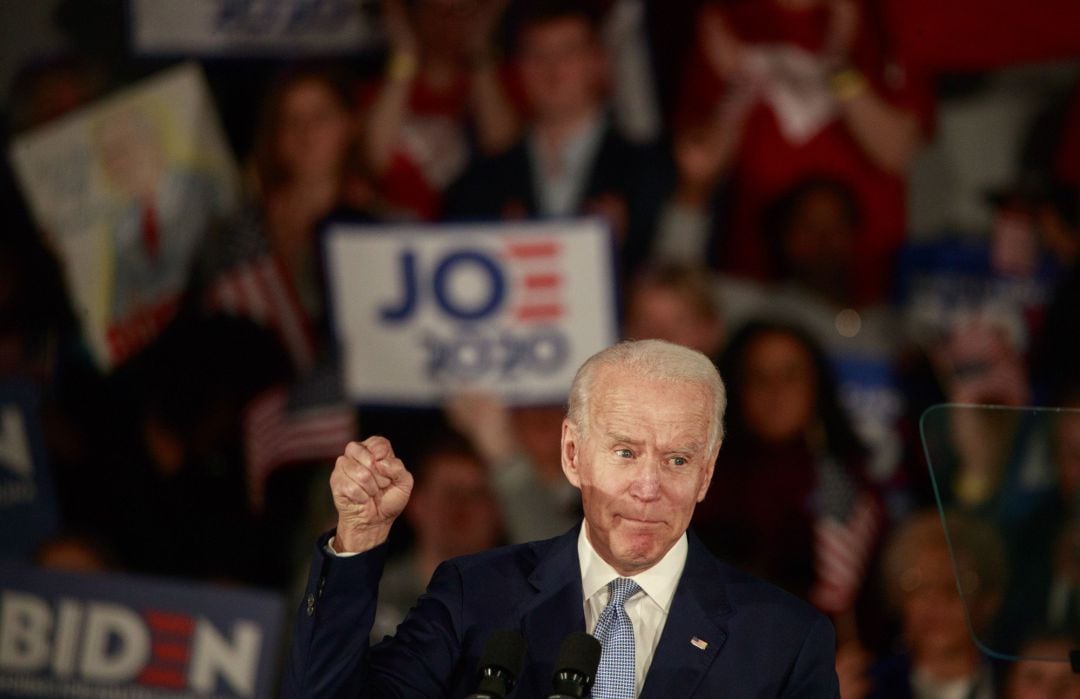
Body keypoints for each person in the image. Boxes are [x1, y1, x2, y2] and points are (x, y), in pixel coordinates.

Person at [284, 339, 839, 697]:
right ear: (573, 455)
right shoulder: (475, 596)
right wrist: (359, 539)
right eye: (624, 452)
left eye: (677, 459)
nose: (649, 488)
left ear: (707, 473)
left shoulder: (783, 641)